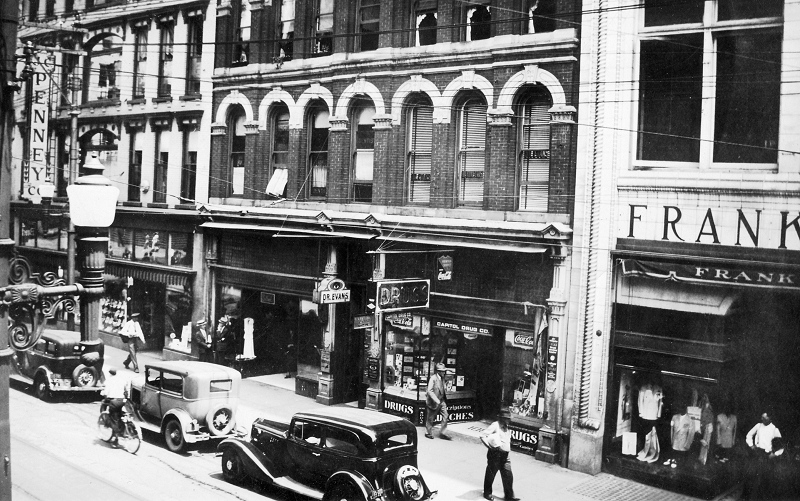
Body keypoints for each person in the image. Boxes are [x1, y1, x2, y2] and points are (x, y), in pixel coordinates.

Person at [481, 409, 519, 501]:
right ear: (501, 418)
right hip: (495, 454)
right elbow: (482, 436)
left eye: (509, 418)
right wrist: (490, 447)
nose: (508, 420)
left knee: (508, 475)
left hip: (506, 455)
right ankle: (487, 493)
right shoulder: (495, 425)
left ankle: (509, 496)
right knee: (491, 474)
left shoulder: (507, 426)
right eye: (506, 419)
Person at [743, 412, 783, 500]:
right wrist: (751, 445)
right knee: (752, 477)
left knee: (764, 480)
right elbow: (749, 435)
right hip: (757, 454)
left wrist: (774, 454)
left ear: (770, 418)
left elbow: (781, 448)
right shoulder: (758, 426)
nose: (762, 420)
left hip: (767, 457)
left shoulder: (774, 430)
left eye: (765, 418)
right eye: (762, 418)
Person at [101, 367, 131, 443]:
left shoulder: (108, 381)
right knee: (119, 415)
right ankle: (122, 429)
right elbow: (126, 390)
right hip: (122, 401)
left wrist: (103, 393)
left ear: (110, 374)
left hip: (114, 401)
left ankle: (116, 438)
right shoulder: (122, 380)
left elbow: (106, 392)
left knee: (114, 419)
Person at [425, 363, 451, 440]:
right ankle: (428, 433)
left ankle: (443, 433)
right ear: (438, 371)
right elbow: (429, 391)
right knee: (430, 418)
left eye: (444, 371)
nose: (444, 372)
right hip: (433, 401)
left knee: (445, 416)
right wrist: (436, 400)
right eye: (442, 371)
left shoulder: (443, 378)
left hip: (442, 401)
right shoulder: (433, 378)